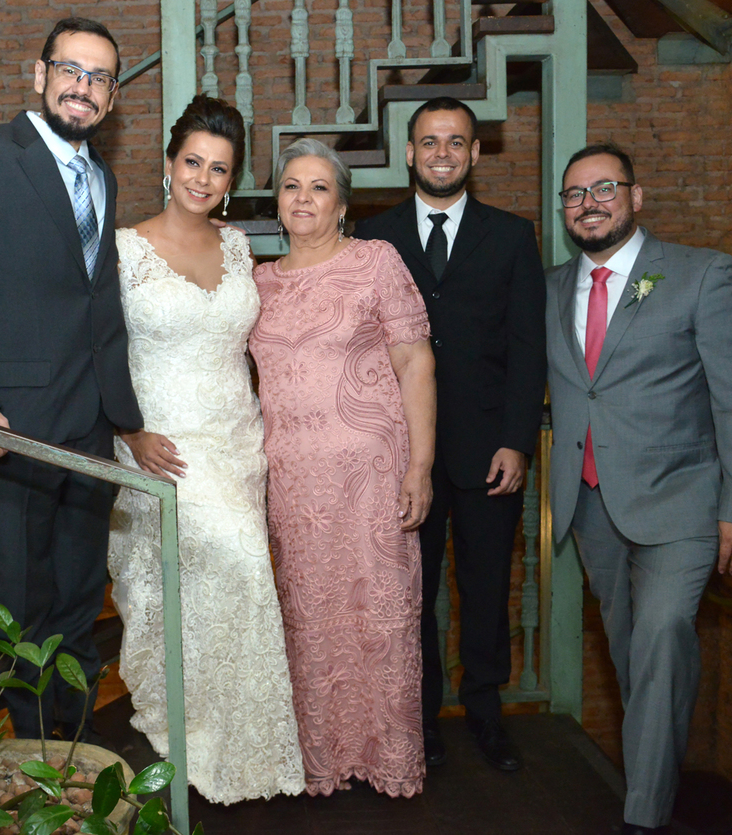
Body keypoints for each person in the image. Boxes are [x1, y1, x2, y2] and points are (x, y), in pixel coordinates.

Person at [545, 143, 732, 835]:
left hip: (683, 503)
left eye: (605, 187)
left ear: (636, 197)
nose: (590, 202)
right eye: (575, 193)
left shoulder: (701, 275)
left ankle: (643, 816)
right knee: (631, 651)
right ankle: (654, 778)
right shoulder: (553, 286)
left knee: (665, 631)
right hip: (591, 504)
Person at [0, 18, 143, 740]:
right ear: (40, 73)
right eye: (71, 70)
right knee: (22, 599)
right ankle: (29, 753)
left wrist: (122, 409)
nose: (82, 87)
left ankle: (75, 742)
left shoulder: (102, 177)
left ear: (112, 96)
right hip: (11, 423)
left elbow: (90, 299)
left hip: (91, 422)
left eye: (99, 77)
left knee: (82, 596)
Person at [106, 95, 305, 804]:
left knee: (234, 584)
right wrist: (127, 429)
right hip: (163, 444)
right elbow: (99, 347)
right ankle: (186, 723)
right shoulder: (125, 247)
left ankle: (239, 736)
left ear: (231, 180)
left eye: (219, 169)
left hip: (237, 441)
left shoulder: (238, 247)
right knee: (235, 564)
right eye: (192, 161)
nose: (203, 178)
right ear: (168, 164)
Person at [356, 97, 547, 771]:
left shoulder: (512, 235)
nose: (443, 152)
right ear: (409, 152)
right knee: (409, 591)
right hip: (399, 452)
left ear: (474, 154)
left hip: (488, 450)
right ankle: (422, 714)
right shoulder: (372, 238)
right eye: (430, 141)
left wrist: (517, 439)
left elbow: (528, 348)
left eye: (456, 142)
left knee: (488, 587)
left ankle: (487, 712)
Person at [249, 138, 438, 798]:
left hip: (372, 475)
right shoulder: (257, 281)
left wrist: (422, 464)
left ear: (342, 203)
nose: (303, 197)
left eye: (318, 187)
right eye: (291, 185)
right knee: (310, 618)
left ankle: (386, 758)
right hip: (293, 484)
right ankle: (320, 760)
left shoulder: (375, 262)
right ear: (277, 201)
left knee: (380, 615)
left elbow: (416, 362)